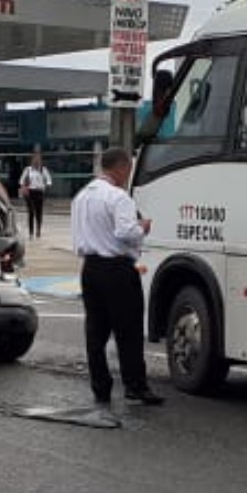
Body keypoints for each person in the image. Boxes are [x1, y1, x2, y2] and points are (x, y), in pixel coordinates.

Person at [71, 147, 164, 407]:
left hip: (90, 268)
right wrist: (142, 227)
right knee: (129, 330)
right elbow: (126, 232)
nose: (128, 174)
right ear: (121, 167)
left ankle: (101, 387)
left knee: (95, 331)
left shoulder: (81, 195)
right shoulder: (118, 197)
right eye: (129, 169)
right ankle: (135, 385)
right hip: (117, 269)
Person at [18, 152, 51, 239]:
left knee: (39, 212)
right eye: (35, 159)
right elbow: (21, 181)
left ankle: (38, 230)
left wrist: (45, 187)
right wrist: (24, 188)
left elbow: (49, 181)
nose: (36, 161)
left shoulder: (43, 170)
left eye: (38, 159)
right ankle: (31, 232)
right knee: (31, 212)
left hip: (39, 192)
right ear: (32, 160)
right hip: (30, 192)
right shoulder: (28, 170)